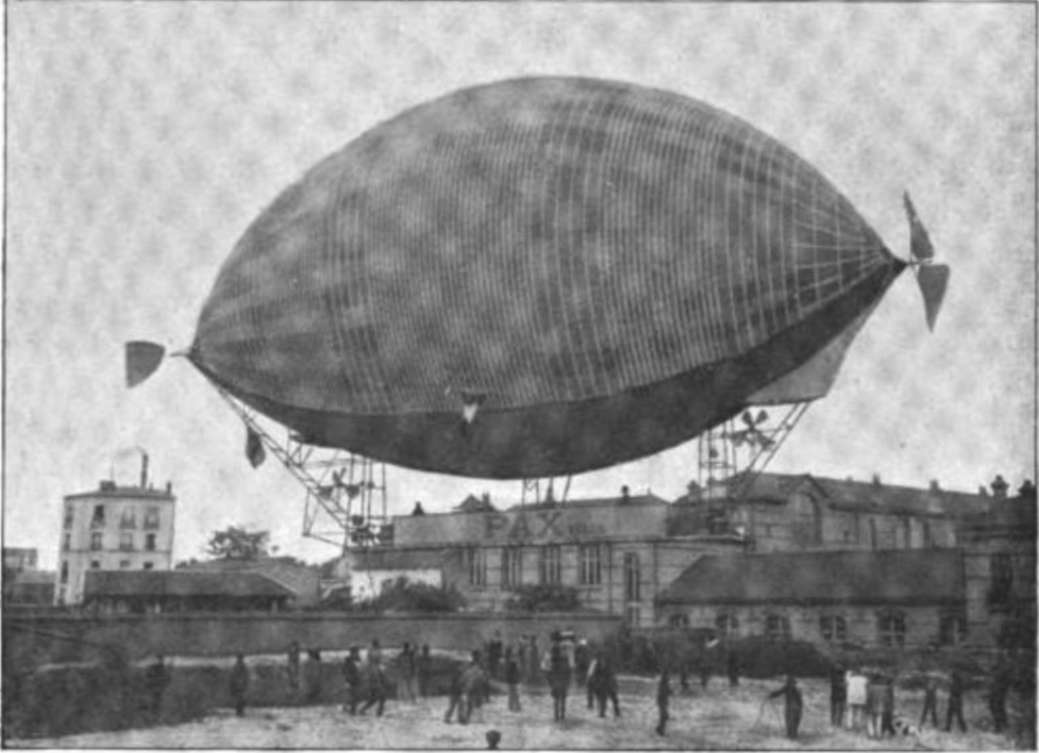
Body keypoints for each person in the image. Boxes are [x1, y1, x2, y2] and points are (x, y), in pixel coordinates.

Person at [588, 650, 621, 718]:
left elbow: (612, 673)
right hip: (602, 684)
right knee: (604, 699)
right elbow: (591, 675)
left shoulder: (604, 663)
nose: (602, 658)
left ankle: (615, 712)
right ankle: (602, 713)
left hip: (608, 683)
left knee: (613, 699)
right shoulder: (595, 663)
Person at [769, 675, 803, 740]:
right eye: (789, 683)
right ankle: (792, 740)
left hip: (794, 709)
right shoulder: (787, 688)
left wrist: (772, 695)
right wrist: (772, 695)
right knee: (791, 726)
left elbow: (799, 702)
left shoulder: (795, 690)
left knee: (792, 725)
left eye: (791, 683)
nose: (790, 684)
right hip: (792, 709)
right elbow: (778, 692)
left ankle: (792, 740)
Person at [546, 643, 571, 722]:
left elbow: (548, 673)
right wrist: (568, 681)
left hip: (555, 682)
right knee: (562, 699)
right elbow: (568, 671)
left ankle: (556, 716)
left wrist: (550, 683)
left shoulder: (552, 660)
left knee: (556, 700)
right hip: (562, 681)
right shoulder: (564, 659)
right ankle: (561, 716)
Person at [144, 654, 170, 720]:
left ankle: (154, 713)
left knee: (156, 700)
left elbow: (149, 676)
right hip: (156, 688)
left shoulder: (157, 667)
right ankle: (155, 713)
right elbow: (149, 676)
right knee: (156, 700)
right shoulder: (157, 667)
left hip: (157, 688)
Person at [989, 658, 1011, 733]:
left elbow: (1005, 683)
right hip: (996, 691)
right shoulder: (997, 670)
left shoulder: (1002, 671)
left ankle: (999, 727)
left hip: (999, 692)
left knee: (997, 708)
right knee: (995, 707)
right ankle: (1003, 724)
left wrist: (1001, 690)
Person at [342, 647, 362, 714]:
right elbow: (344, 670)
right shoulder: (348, 660)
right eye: (356, 652)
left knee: (355, 696)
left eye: (357, 652)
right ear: (352, 653)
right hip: (350, 680)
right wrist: (348, 679)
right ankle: (351, 711)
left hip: (356, 680)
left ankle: (349, 709)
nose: (357, 654)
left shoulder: (358, 659)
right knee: (353, 696)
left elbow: (359, 669)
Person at [504, 647, 521, 712]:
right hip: (512, 681)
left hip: (512, 681)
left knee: (512, 695)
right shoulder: (511, 662)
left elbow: (510, 672)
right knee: (514, 694)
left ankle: (512, 707)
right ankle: (516, 707)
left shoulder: (509, 661)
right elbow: (513, 672)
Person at [829, 663, 846, 728]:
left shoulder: (833, 677)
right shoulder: (843, 678)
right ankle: (838, 722)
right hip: (841, 695)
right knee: (840, 710)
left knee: (834, 709)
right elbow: (842, 686)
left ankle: (833, 722)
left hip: (834, 695)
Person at [655, 668, 671, 736]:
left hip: (663, 702)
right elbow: (663, 692)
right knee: (664, 716)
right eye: (668, 675)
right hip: (662, 702)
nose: (669, 677)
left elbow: (667, 691)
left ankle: (659, 728)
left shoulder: (665, 683)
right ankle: (661, 730)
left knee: (664, 716)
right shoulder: (663, 684)